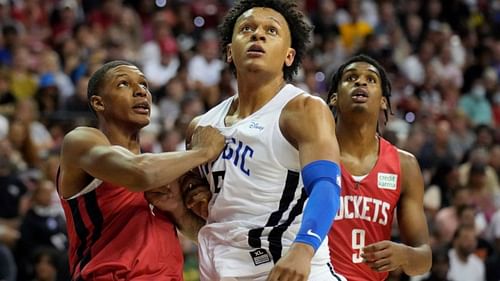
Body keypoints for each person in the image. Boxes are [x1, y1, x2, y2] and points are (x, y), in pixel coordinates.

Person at [166, 0, 343, 280]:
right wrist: (180, 205)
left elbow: (327, 186)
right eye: (247, 28)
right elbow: (220, 224)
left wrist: (304, 249)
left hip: (288, 265)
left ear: (288, 56)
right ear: (228, 52)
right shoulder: (200, 126)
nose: (257, 35)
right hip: (220, 269)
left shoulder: (303, 110)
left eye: (271, 31)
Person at [57, 60, 225, 280]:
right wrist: (203, 152)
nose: (140, 92)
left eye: (144, 85)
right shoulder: (82, 141)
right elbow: (140, 174)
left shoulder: (159, 166)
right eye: (124, 84)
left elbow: (199, 235)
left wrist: (178, 211)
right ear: (99, 103)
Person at [326, 54, 432, 281]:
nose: (360, 82)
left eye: (371, 80)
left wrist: (404, 255)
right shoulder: (312, 151)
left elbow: (424, 259)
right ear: (334, 98)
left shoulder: (405, 165)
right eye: (351, 78)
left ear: (383, 100)